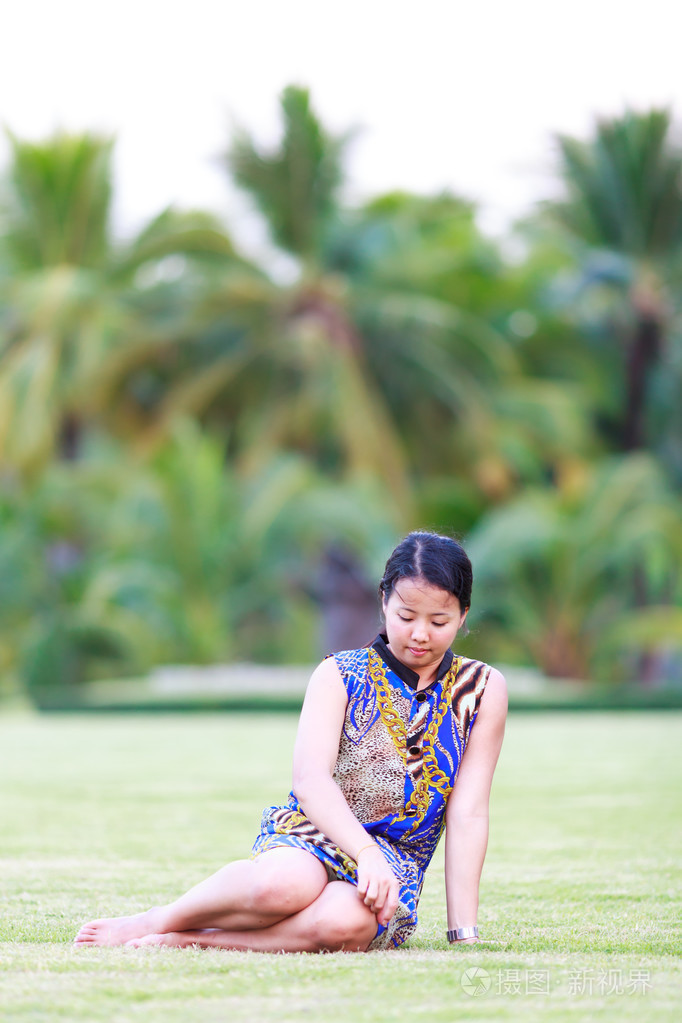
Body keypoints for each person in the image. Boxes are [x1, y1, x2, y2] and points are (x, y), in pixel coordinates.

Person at [74, 530, 507, 953]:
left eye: (439, 621)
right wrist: (363, 851)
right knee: (282, 886)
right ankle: (159, 920)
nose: (419, 634)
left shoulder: (483, 689)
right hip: (313, 835)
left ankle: (190, 940)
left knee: (347, 922)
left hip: (396, 863)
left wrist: (462, 932)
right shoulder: (338, 674)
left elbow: (468, 813)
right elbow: (310, 780)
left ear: (464, 614)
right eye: (406, 616)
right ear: (383, 601)